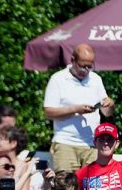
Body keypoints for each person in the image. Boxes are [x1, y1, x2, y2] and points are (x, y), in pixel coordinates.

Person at [43, 43, 114, 172]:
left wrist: (109, 104)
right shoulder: (58, 79)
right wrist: (75, 109)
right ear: (72, 60)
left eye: (89, 67)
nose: (86, 70)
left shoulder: (96, 79)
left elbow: (107, 113)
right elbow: (48, 112)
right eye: (82, 66)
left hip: (91, 145)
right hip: (65, 143)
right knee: (66, 188)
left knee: (91, 188)